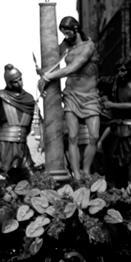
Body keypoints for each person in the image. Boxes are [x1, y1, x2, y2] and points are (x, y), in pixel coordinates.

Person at [37, 16, 103, 180]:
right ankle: (76, 174)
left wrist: (47, 77)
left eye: (67, 32)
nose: (65, 36)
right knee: (72, 136)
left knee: (94, 136)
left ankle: (86, 170)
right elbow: (51, 62)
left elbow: (73, 67)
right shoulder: (65, 47)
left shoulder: (88, 46)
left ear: (76, 29)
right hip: (71, 94)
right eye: (63, 33)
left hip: (90, 95)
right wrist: (43, 75)